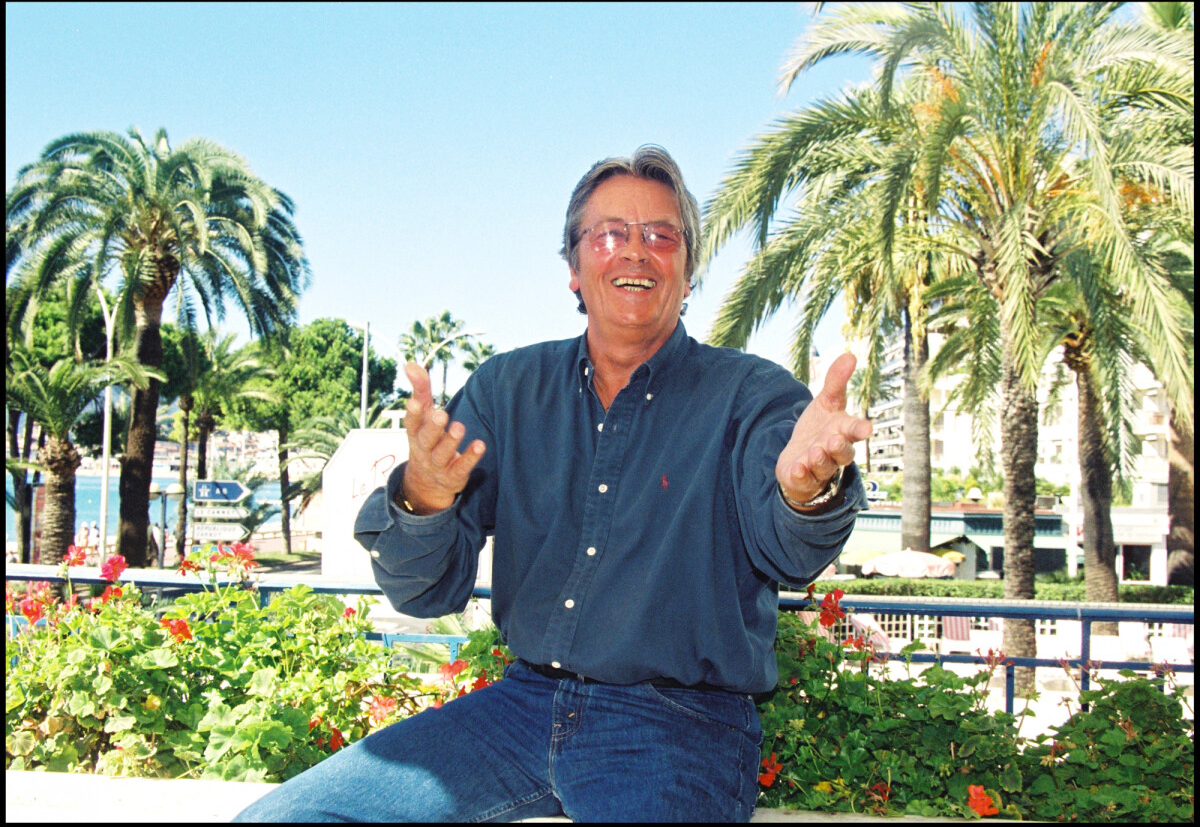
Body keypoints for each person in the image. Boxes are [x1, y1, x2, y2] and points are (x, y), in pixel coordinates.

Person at [235, 145, 872, 823]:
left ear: (688, 272)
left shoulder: (752, 394)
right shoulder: (507, 390)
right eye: (608, 234)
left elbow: (790, 552)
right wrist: (422, 494)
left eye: (661, 235)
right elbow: (425, 591)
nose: (635, 252)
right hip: (519, 709)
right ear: (573, 267)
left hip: (681, 727)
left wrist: (807, 490)